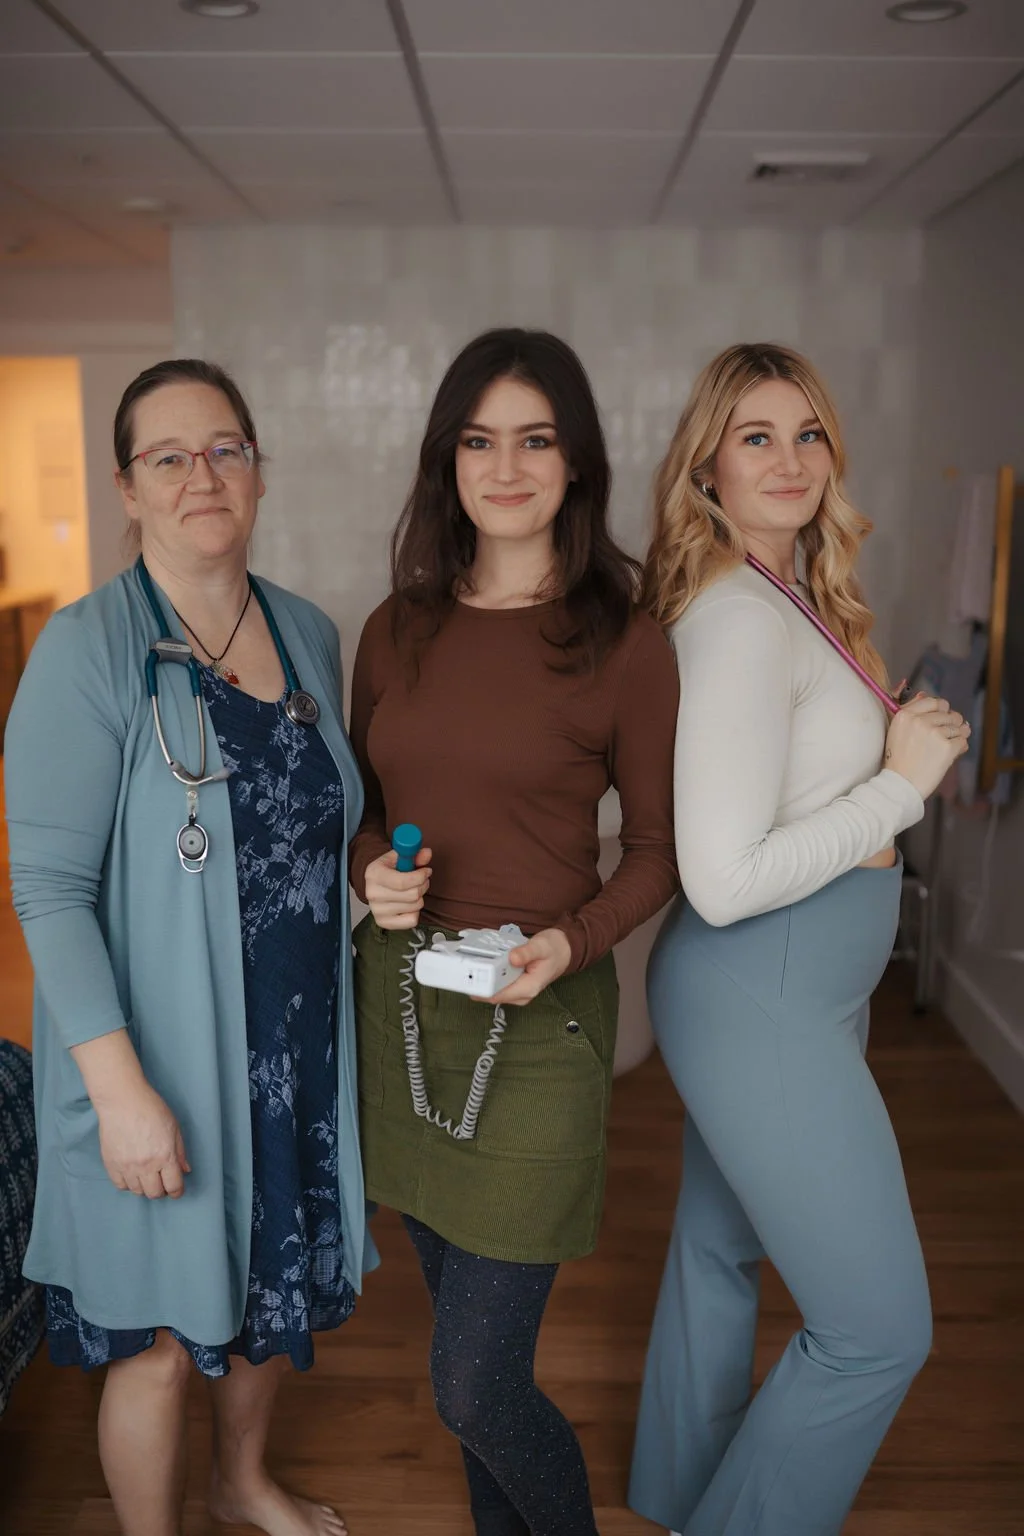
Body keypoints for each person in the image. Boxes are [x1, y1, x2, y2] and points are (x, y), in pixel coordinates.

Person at [4, 358, 368, 1536]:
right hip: (158, 1053)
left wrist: (382, 882)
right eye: (169, 456)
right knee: (157, 1340)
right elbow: (47, 889)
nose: (201, 475)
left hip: (296, 1042)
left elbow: (315, 829)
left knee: (271, 1296)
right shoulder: (86, 649)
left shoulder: (308, 631)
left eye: (225, 449)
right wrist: (120, 1094)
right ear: (128, 487)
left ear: (258, 471)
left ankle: (242, 1482)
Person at [627, 342, 971, 1536]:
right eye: (755, 436)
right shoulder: (737, 621)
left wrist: (883, 755)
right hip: (757, 995)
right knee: (878, 1333)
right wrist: (902, 789)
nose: (788, 459)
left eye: (807, 433)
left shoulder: (787, 600)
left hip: (780, 998)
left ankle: (677, 1499)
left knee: (717, 1256)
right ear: (706, 468)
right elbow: (721, 883)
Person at [349, 327, 679, 1536]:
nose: (506, 466)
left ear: (576, 462)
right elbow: (367, 820)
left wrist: (570, 945)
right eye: (478, 439)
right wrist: (370, 873)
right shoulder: (398, 629)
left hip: (538, 1018)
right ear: (447, 461)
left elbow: (655, 851)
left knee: (472, 1380)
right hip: (401, 1011)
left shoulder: (623, 640)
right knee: (468, 1379)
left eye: (535, 438)